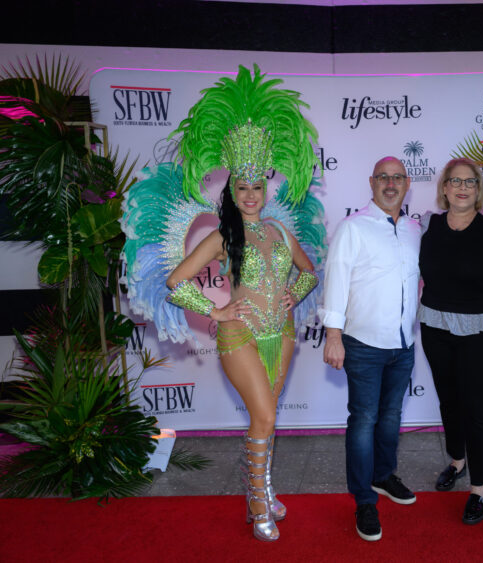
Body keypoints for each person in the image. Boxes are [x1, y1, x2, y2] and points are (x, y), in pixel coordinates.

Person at [121, 66, 321, 542]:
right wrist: (215, 311)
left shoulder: (279, 230)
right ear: (232, 191)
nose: (251, 195)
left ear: (266, 190)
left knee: (265, 416)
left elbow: (310, 273)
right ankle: (258, 503)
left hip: (282, 332)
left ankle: (264, 490)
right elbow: (175, 281)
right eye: (242, 187)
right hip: (240, 333)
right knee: (265, 416)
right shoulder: (221, 235)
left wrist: (293, 295)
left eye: (257, 187)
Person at [320, 156, 422, 542]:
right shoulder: (353, 227)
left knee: (391, 416)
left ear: (407, 183)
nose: (390, 184)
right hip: (362, 343)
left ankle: (383, 476)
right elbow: (336, 281)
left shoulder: (414, 229)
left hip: (404, 344)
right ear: (371, 182)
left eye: (397, 178)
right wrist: (333, 335)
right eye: (383, 177)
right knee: (364, 420)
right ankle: (364, 499)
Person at [418, 157, 483, 524]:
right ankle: (457, 461)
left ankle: (479, 488)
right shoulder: (427, 226)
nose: (462, 187)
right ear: (444, 188)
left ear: (478, 190)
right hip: (435, 327)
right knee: (449, 401)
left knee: (475, 410)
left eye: (470, 182)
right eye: (455, 181)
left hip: (480, 332)